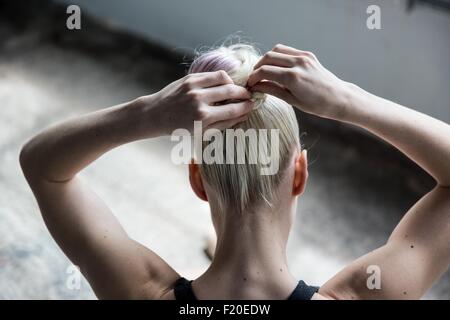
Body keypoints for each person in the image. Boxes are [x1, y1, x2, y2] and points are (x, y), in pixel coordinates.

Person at [20, 43, 450, 300]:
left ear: (197, 180)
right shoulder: (361, 295)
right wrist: (349, 101)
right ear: (298, 174)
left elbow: (42, 166)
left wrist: (147, 113)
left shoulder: (142, 291)